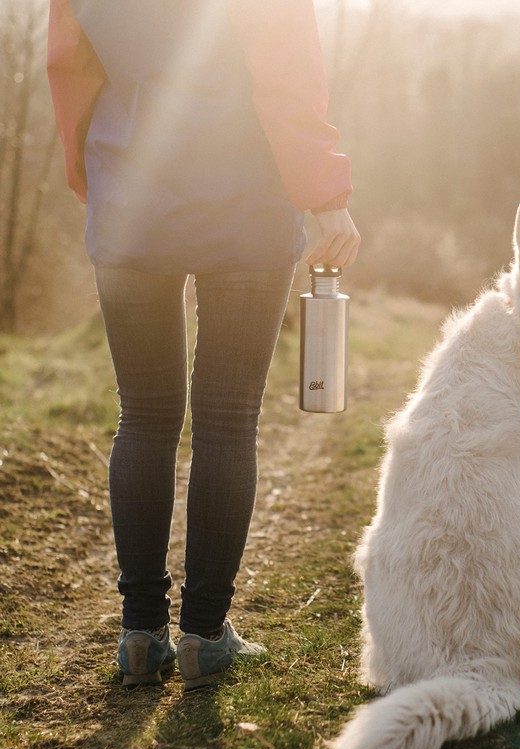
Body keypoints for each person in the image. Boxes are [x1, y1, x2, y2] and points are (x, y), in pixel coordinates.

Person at [47, 0, 360, 690]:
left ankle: (139, 633)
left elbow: (68, 72)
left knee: (143, 415)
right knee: (226, 420)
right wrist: (326, 195)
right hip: (246, 208)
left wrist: (94, 178)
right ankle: (204, 635)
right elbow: (287, 75)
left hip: (129, 202)